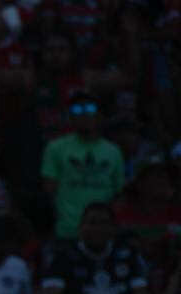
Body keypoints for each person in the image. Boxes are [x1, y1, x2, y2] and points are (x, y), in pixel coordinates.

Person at [40, 202, 154, 294]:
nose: (97, 228)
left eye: (104, 223)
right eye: (92, 222)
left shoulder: (129, 256)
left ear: (113, 229)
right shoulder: (62, 258)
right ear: (81, 226)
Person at [41, 92, 126, 239]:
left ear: (100, 115)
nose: (84, 113)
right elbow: (49, 191)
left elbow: (119, 193)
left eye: (90, 108)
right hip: (67, 232)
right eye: (77, 110)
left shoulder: (113, 151)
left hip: (103, 235)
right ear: (70, 117)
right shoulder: (55, 148)